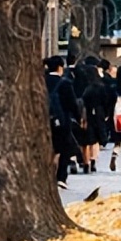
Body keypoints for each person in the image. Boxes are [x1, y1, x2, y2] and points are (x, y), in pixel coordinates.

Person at [45, 56, 82, 187]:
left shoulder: (41, 80)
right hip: (61, 120)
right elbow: (72, 103)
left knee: (49, 148)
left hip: (43, 120)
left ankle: (46, 174)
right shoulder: (64, 83)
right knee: (64, 148)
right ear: (60, 67)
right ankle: (60, 176)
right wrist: (78, 118)